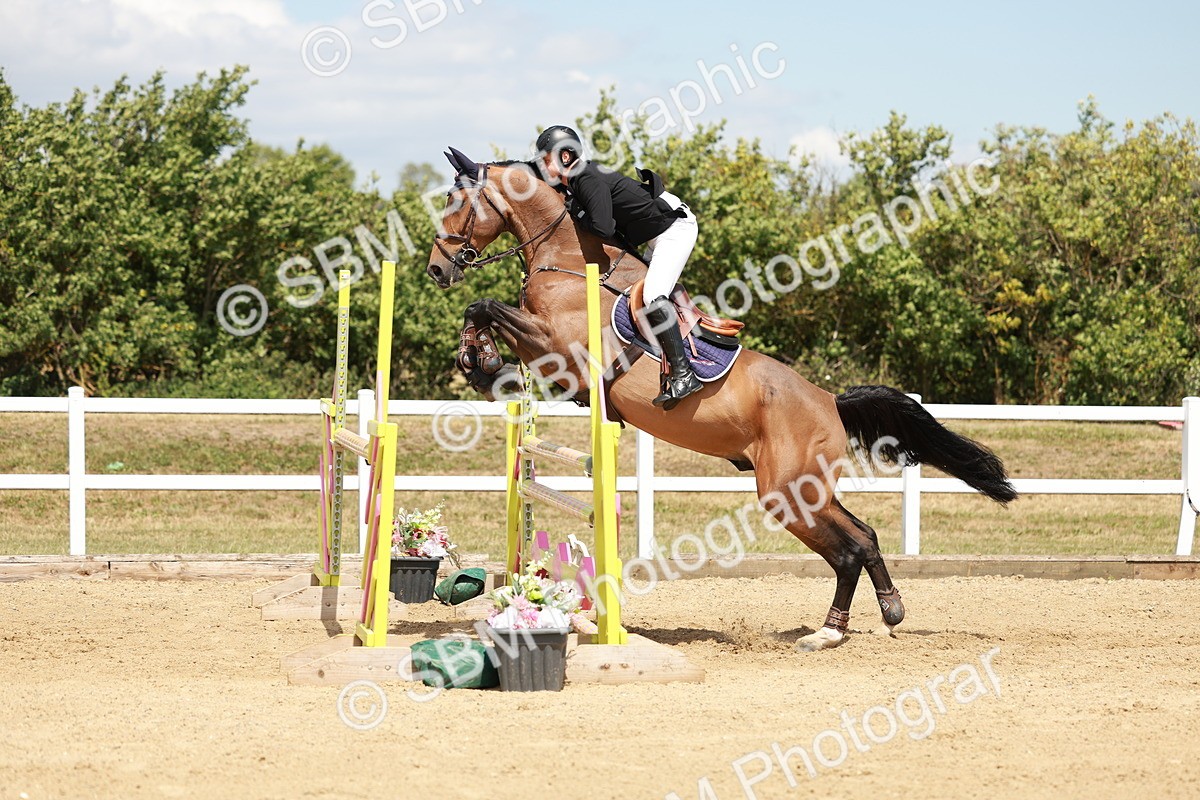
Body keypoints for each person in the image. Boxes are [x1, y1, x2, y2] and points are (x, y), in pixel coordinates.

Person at [535, 124, 702, 410]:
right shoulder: (575, 181)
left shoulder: (585, 176)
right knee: (628, 297)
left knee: (652, 296)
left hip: (675, 231)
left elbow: (603, 226)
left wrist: (578, 212)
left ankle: (684, 374)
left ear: (564, 157)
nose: (541, 166)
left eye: (545, 159)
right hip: (656, 236)